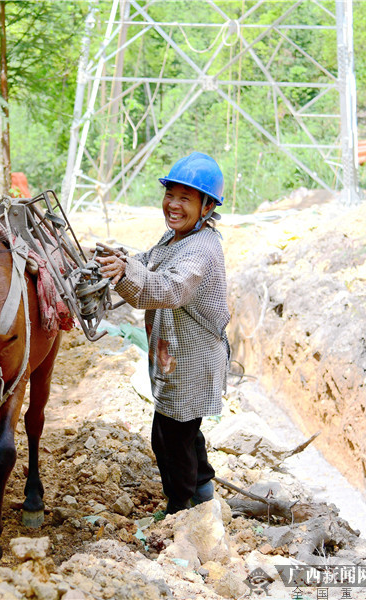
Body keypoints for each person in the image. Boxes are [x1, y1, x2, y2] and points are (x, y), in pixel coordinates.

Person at [97, 152, 230, 515]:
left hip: (193, 359)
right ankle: (203, 493)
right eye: (170, 194)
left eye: (185, 198)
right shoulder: (177, 238)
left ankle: (181, 509)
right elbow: (150, 261)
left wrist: (124, 273)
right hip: (178, 357)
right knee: (185, 431)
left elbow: (167, 288)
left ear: (206, 207)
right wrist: (122, 259)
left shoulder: (200, 250)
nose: (173, 204)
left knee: (171, 438)